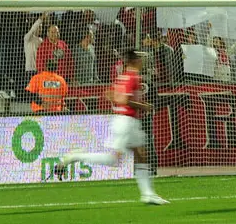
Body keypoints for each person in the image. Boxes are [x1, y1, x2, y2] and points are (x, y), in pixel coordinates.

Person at [57, 52, 169, 205]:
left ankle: (148, 194)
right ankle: (76, 156)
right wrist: (144, 106)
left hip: (124, 120)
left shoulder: (121, 77)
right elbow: (124, 99)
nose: (142, 61)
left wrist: (124, 101)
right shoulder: (133, 76)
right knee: (113, 160)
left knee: (141, 155)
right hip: (127, 122)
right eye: (140, 59)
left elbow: (110, 95)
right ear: (134, 61)